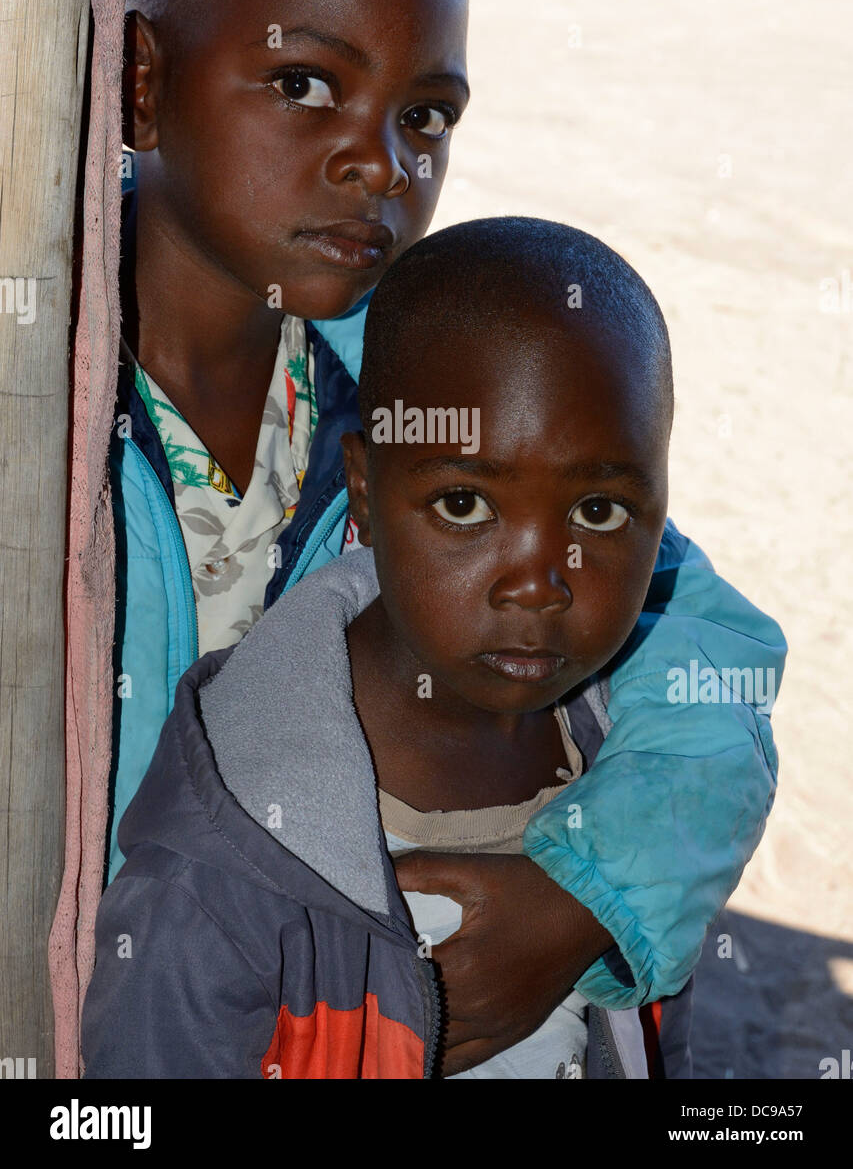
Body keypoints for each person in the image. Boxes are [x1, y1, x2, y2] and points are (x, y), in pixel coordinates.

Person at [110, 0, 785, 1074]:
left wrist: (588, 897)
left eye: (425, 116)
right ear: (147, 81)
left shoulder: (418, 394)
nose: (378, 163)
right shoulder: (43, 410)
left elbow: (714, 664)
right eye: (306, 84)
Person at [83, 219, 772, 1078]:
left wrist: (595, 906)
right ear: (364, 495)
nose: (537, 584)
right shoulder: (223, 876)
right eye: (462, 507)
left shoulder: (623, 736)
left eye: (597, 514)